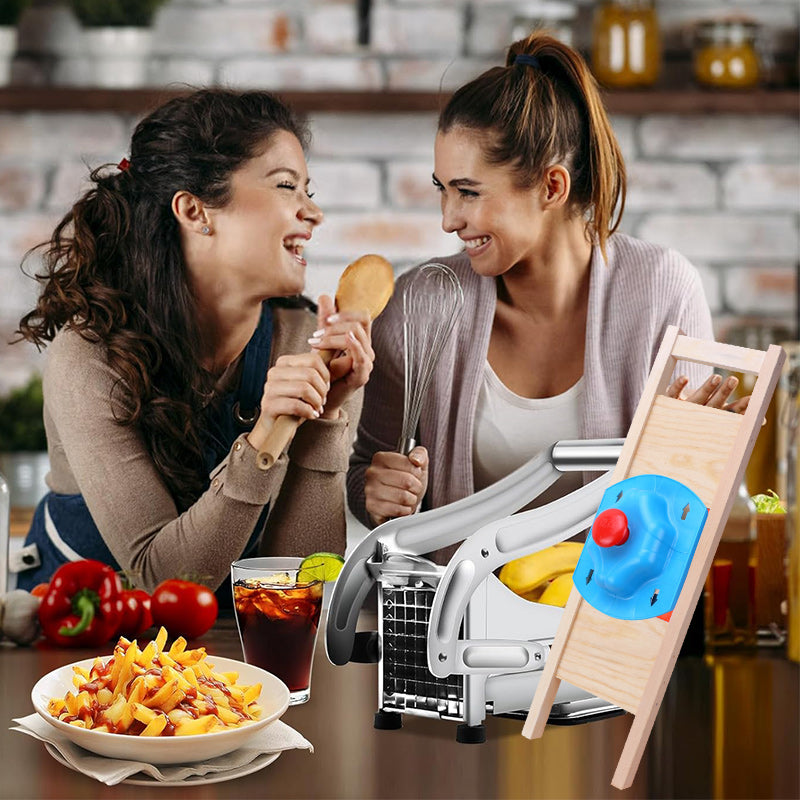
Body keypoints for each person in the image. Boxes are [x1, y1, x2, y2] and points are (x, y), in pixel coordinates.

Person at [348, 33, 746, 555]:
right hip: (456, 629)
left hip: (611, 625)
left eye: (468, 192)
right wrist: (376, 493)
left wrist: (686, 455)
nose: (448, 219)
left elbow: (696, 509)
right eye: (441, 189)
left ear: (552, 187)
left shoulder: (663, 293)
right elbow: (366, 474)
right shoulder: (420, 303)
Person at [14, 89, 374, 597]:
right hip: (80, 648)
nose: (313, 213)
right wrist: (265, 438)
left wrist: (327, 420)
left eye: (308, 190)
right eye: (287, 186)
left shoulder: (306, 341)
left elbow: (299, 587)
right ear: (194, 209)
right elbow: (163, 582)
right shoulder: (91, 357)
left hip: (227, 649)